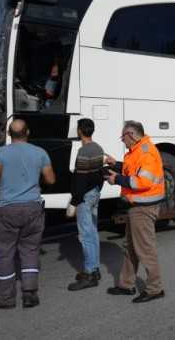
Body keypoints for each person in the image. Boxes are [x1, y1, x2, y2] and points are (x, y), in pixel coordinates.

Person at [0, 119, 55, 309]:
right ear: (27, 132)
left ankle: (6, 298)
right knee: (30, 250)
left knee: (4, 253)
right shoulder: (40, 152)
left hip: (7, 210)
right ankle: (30, 294)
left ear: (8, 134)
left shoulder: (0, 153)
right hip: (33, 208)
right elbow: (51, 179)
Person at [104, 120, 166, 303]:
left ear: (131, 134)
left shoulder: (145, 152)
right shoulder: (138, 150)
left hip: (143, 208)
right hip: (136, 207)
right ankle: (127, 284)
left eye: (123, 136)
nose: (122, 140)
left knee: (146, 250)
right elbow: (133, 170)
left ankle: (155, 289)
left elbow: (142, 182)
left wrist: (117, 180)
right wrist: (116, 165)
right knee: (130, 247)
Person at [66, 118, 105, 291]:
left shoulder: (83, 151)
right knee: (93, 233)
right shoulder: (99, 148)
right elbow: (100, 174)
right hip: (95, 193)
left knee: (85, 236)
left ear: (80, 131)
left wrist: (74, 202)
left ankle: (89, 273)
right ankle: (95, 269)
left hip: (84, 196)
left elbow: (81, 180)